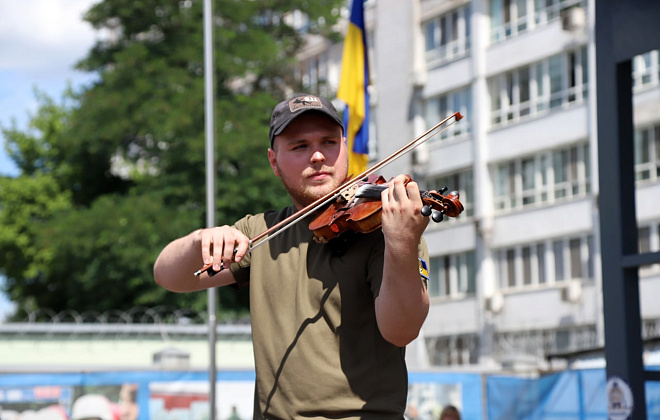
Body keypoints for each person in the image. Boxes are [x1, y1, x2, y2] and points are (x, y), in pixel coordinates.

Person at [154, 93, 431, 419]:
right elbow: (168, 276)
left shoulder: (386, 227)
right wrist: (201, 239)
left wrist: (401, 241)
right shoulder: (261, 230)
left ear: (344, 147)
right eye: (300, 146)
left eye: (328, 142)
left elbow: (402, 330)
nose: (317, 156)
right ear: (274, 161)